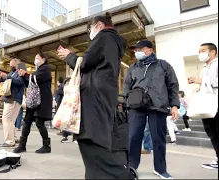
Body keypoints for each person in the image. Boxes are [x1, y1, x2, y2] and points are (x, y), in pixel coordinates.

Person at [58, 13, 132, 179]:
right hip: (104, 95)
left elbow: (85, 63)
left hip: (94, 97)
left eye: (89, 28)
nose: (89, 33)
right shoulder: (114, 43)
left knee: (90, 138)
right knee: (97, 139)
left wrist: (69, 56)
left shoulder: (104, 37)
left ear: (98, 25)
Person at [123, 39, 179, 179]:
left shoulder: (163, 65)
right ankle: (131, 167)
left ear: (149, 49)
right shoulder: (133, 68)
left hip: (158, 106)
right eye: (135, 50)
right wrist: (127, 101)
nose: (137, 52)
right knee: (134, 136)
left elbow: (173, 85)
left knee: (158, 138)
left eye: (139, 49)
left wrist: (174, 105)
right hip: (137, 106)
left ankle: (160, 169)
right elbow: (126, 86)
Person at [14, 53, 52, 154]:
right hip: (33, 101)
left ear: (43, 59)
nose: (35, 60)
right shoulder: (37, 71)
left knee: (39, 122)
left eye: (37, 58)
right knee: (27, 122)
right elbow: (29, 83)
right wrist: (22, 76)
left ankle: (46, 145)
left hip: (42, 101)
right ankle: (22, 145)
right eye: (35, 58)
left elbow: (36, 79)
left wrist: (25, 74)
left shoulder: (46, 69)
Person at [188, 43, 218, 170]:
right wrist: (199, 88)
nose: (200, 53)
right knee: (211, 132)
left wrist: (202, 81)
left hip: (216, 104)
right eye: (199, 51)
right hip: (207, 106)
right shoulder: (205, 67)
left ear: (213, 52)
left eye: (203, 50)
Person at [0, 59, 26, 148]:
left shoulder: (21, 72)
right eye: (10, 65)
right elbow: (4, 79)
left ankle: (9, 141)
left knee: (6, 119)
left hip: (14, 98)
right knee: (11, 120)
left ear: (17, 65)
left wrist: (8, 77)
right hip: (11, 98)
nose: (11, 67)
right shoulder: (12, 73)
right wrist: (1, 76)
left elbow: (20, 82)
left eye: (13, 65)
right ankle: (13, 138)